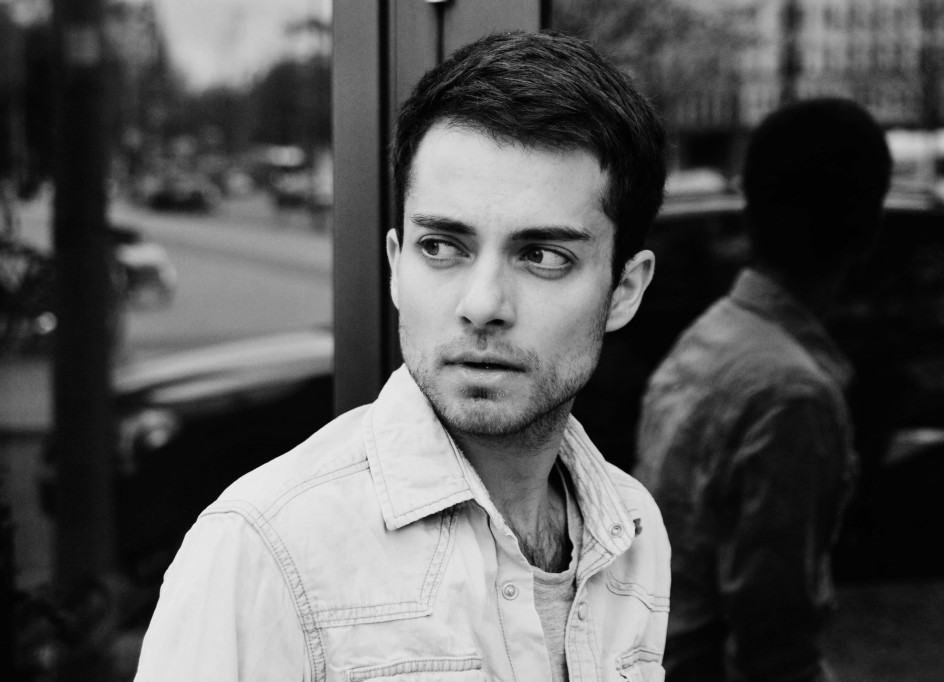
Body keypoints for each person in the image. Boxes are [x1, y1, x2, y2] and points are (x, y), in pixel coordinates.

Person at [134, 30, 671, 682]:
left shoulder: (633, 531)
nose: (482, 304)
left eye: (542, 256)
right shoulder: (264, 551)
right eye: (441, 247)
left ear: (624, 291)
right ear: (396, 267)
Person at [634, 98, 893, 682]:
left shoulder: (708, 339)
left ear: (749, 213)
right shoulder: (793, 397)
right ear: (869, 231)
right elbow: (774, 652)